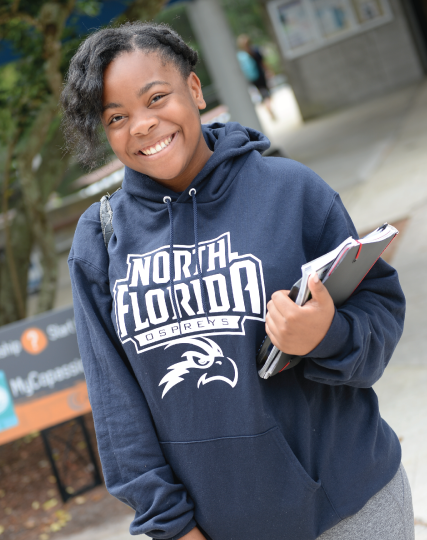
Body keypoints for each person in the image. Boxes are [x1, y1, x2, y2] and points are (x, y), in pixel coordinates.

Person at [61, 22, 413, 540]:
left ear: (195, 90)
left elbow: (379, 313)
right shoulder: (101, 239)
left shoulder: (291, 191)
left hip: (351, 507)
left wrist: (326, 335)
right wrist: (170, 526)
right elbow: (116, 407)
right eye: (117, 117)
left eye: (156, 97)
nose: (141, 125)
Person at [236, 34, 276, 120]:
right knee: (267, 93)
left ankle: (266, 104)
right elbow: (263, 63)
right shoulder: (255, 50)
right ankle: (268, 106)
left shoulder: (241, 55)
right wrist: (269, 71)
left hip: (252, 78)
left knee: (261, 92)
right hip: (260, 75)